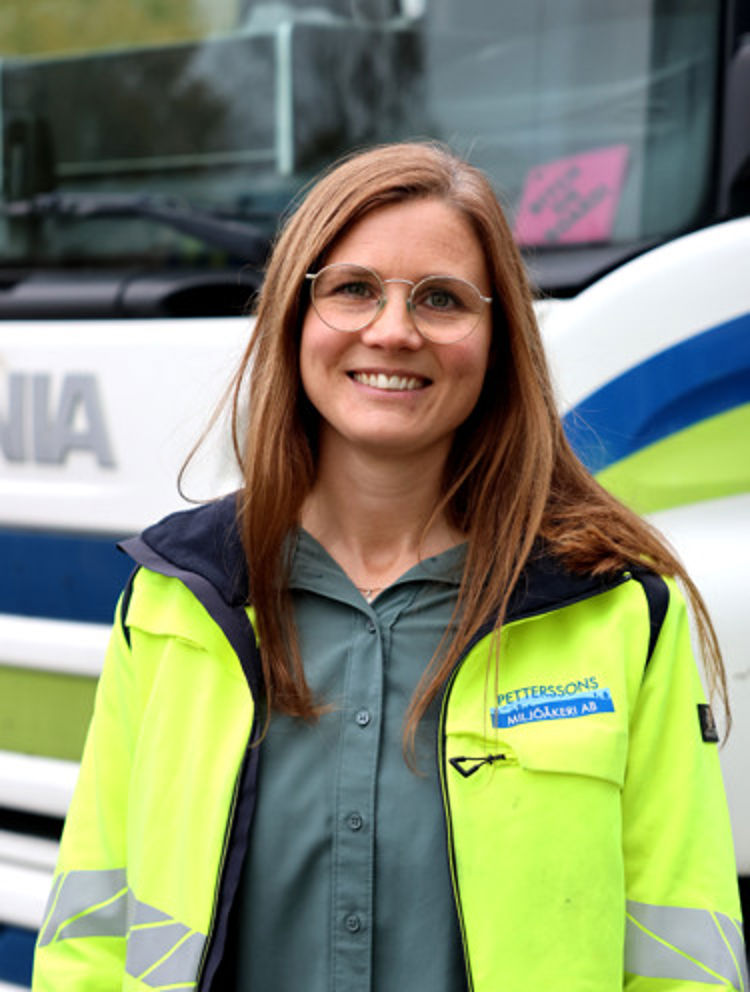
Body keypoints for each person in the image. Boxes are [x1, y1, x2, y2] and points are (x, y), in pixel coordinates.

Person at [32, 142, 745, 992]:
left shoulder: (617, 611)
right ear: (294, 317)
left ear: (498, 341)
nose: (394, 331)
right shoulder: (174, 602)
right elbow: (90, 937)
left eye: (442, 299)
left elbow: (684, 961)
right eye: (353, 289)